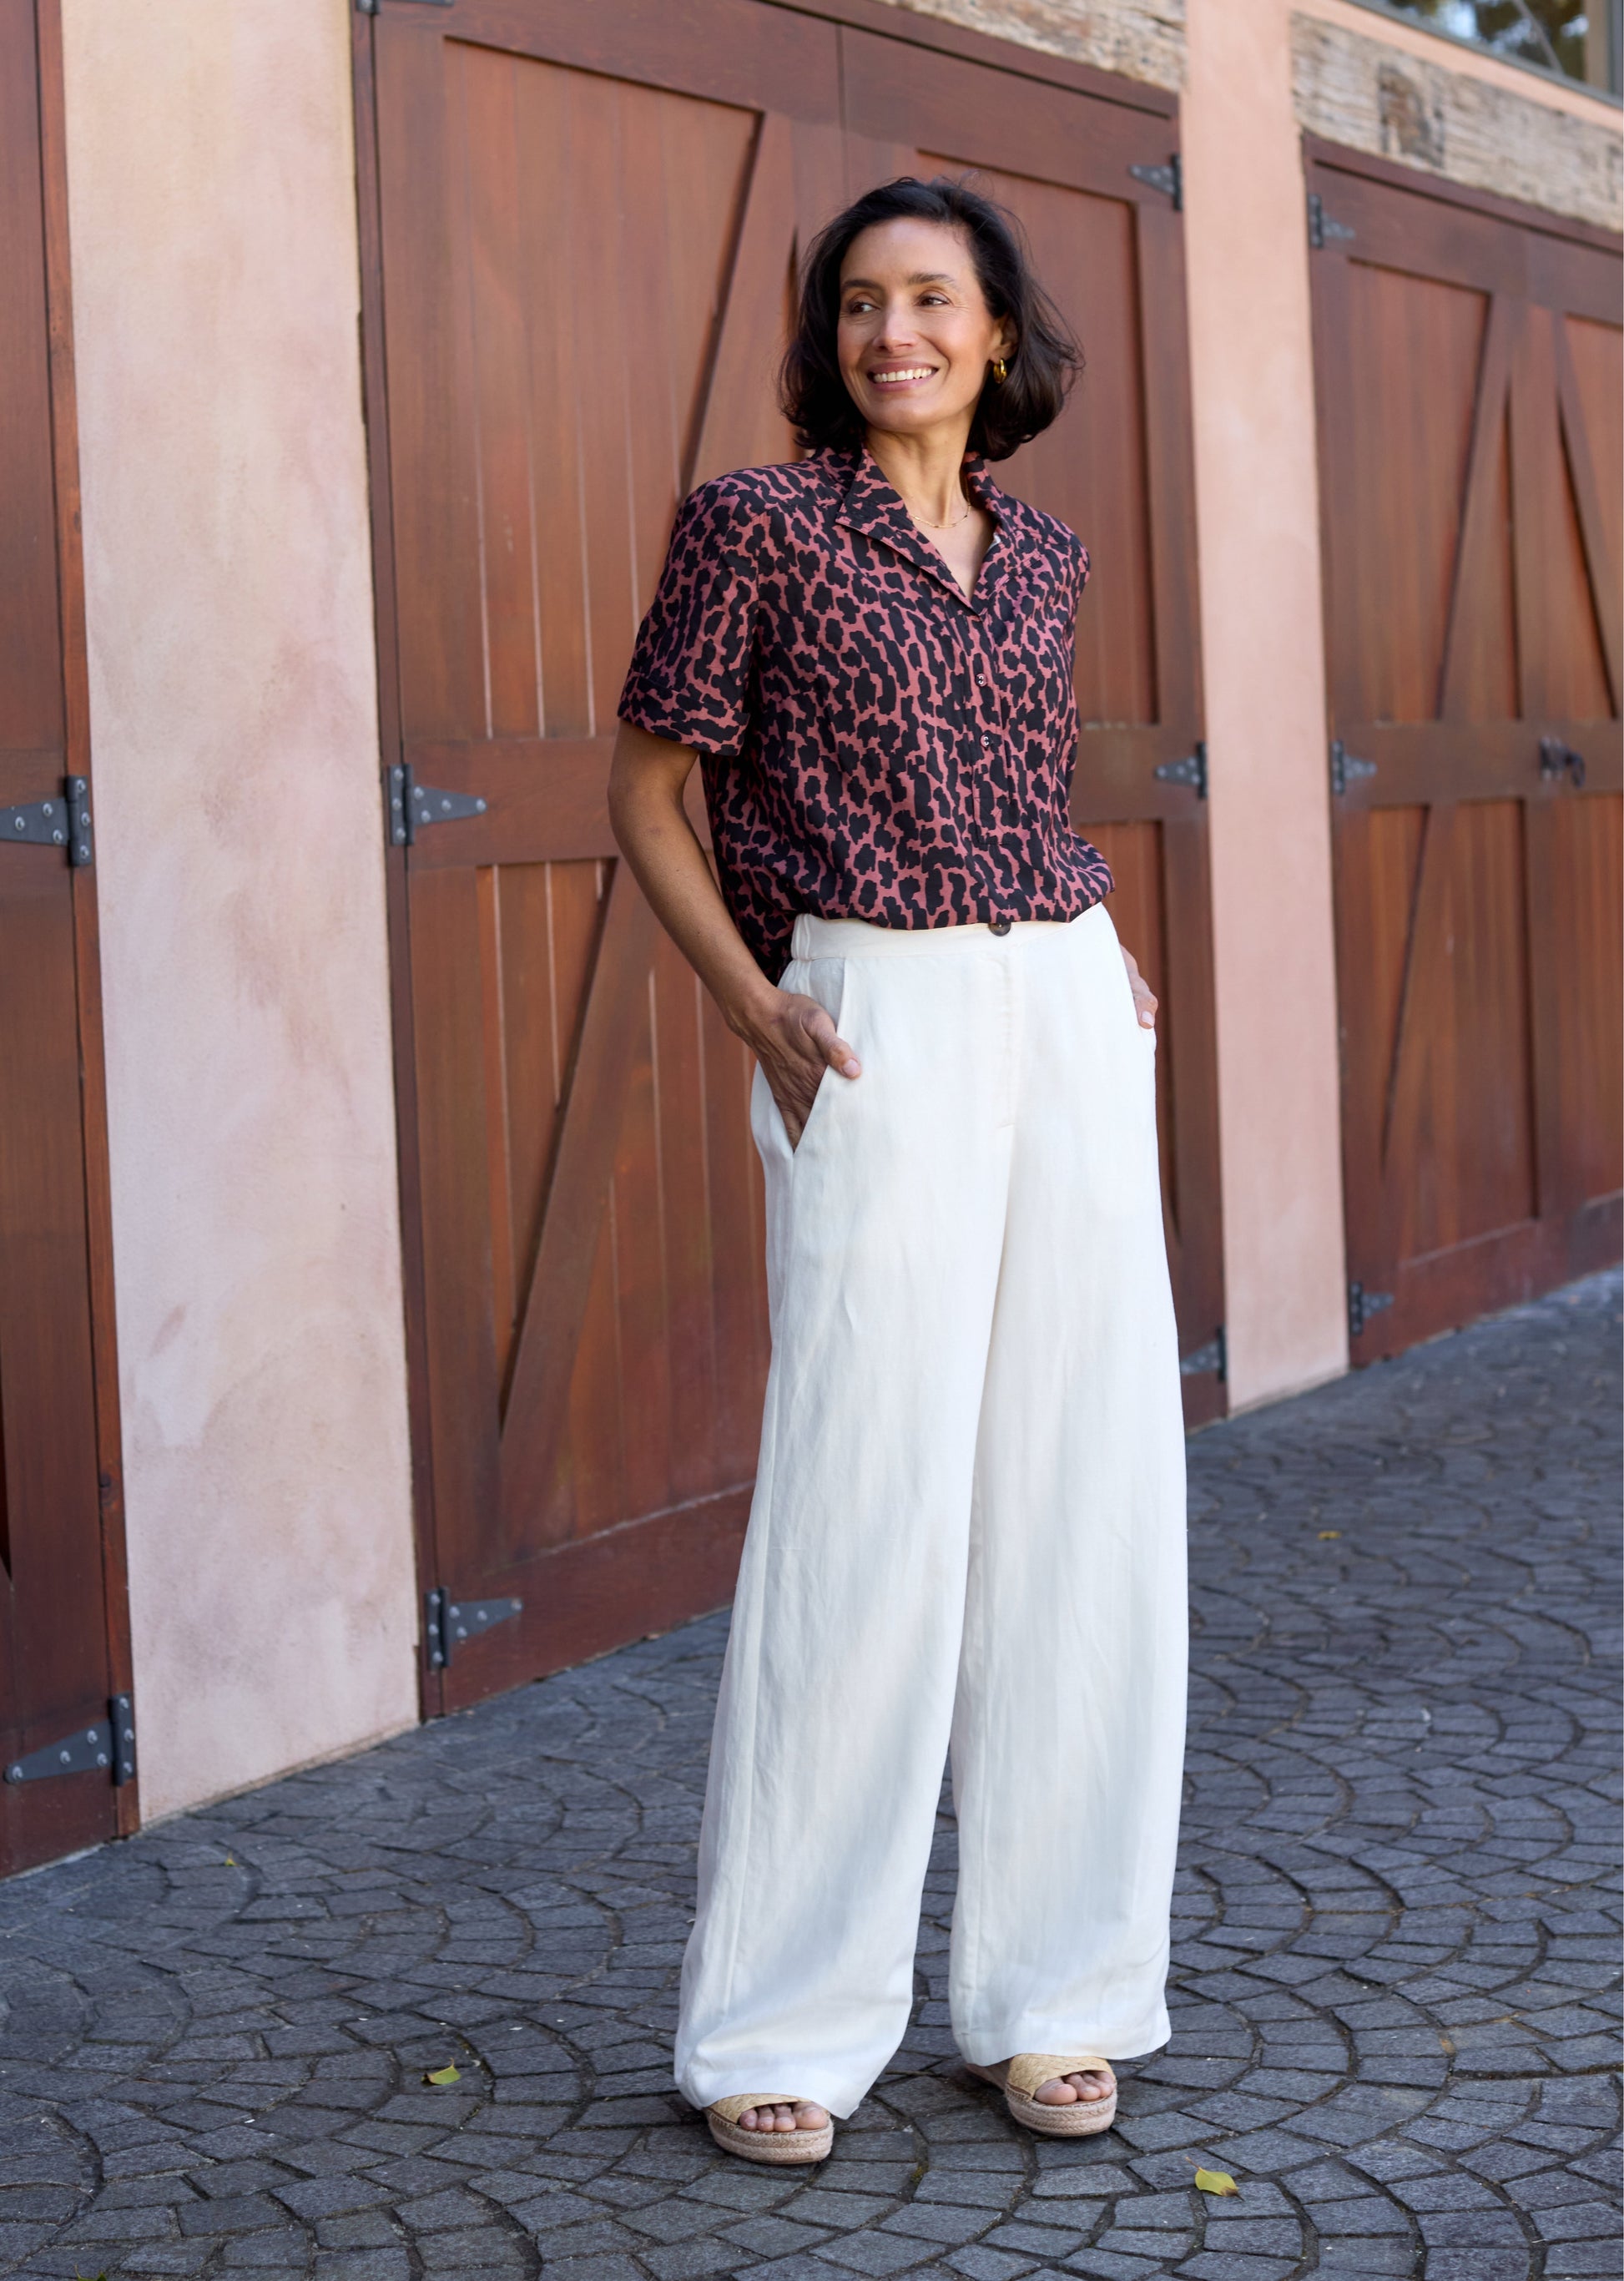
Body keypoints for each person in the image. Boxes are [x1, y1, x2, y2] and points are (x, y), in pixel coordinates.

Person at [608, 175, 1187, 2167]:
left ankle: (1061, 1992)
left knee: (1084, 1489)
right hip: (869, 1011)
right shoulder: (753, 525)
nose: (891, 334)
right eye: (859, 302)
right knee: (864, 1497)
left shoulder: (1045, 558)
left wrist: (1091, 942)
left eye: (930, 299)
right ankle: (778, 2016)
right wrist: (753, 1003)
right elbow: (648, 792)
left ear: (995, 332)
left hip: (1060, 1001)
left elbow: (1024, 789)